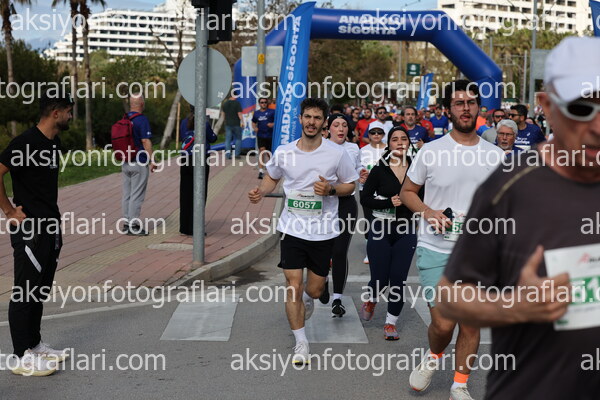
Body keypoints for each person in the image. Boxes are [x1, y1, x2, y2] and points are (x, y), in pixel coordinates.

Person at [436, 36, 600, 399]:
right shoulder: (510, 186)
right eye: (581, 108)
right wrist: (515, 306)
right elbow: (450, 298)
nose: (598, 126)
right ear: (547, 107)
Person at [400, 80, 504, 400]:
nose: (465, 108)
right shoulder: (431, 151)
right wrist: (428, 212)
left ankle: (459, 385)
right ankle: (433, 355)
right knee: (444, 325)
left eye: (471, 102)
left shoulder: (495, 155)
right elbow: (407, 192)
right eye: (459, 103)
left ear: (479, 108)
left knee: (470, 324)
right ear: (448, 110)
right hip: (436, 249)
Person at [248, 98, 358, 364]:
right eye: (307, 117)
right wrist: (261, 191)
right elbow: (272, 176)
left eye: (317, 118)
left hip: (323, 231)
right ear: (300, 119)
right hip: (292, 228)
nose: (311, 122)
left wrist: (331, 189)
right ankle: (301, 343)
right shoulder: (285, 152)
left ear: (324, 123)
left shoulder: (336, 153)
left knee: (316, 289)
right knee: (292, 285)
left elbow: (350, 185)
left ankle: (310, 298)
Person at [0, 90, 74, 376]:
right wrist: (9, 211)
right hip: (30, 229)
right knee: (25, 291)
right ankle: (21, 356)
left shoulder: (54, 143)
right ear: (55, 113)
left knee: (40, 289)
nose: (70, 116)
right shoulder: (24, 143)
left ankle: (34, 344)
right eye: (68, 111)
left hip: (51, 227)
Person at [360, 126, 420, 340]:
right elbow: (365, 199)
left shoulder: (417, 169)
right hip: (380, 228)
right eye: (395, 139)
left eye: (404, 139)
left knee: (398, 279)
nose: (400, 142)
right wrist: (388, 202)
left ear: (409, 143)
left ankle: (390, 323)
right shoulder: (380, 169)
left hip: (406, 229)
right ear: (389, 144)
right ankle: (372, 298)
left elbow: (426, 196)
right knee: (379, 279)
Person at [324, 114, 365, 317]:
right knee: (324, 249)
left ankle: (337, 299)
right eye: (336, 125)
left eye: (344, 125)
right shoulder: (320, 147)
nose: (341, 129)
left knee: (340, 251)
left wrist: (362, 172)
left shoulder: (353, 148)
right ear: (328, 128)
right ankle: (322, 281)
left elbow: (357, 168)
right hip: (324, 203)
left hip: (346, 203)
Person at [122, 93, 157, 236]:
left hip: (126, 162)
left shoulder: (125, 118)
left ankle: (126, 223)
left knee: (127, 194)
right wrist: (152, 160)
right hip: (139, 162)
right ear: (142, 104)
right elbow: (145, 141)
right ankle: (133, 225)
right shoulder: (142, 120)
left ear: (131, 104)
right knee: (137, 195)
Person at [179, 111, 218, 236]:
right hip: (200, 159)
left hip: (185, 159)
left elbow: (182, 137)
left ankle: (184, 227)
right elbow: (213, 138)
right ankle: (195, 227)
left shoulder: (183, 122)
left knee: (185, 193)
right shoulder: (204, 123)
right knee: (200, 193)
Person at [359, 127, 388, 264]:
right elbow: (357, 168)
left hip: (384, 190)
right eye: (373, 132)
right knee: (369, 219)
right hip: (366, 190)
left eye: (379, 132)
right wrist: (360, 176)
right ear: (368, 135)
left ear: (383, 134)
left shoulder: (388, 149)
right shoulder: (362, 150)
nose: (376, 135)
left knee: (384, 220)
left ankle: (384, 249)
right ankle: (369, 251)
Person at [252, 97, 275, 179]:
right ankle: (261, 171)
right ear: (259, 104)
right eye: (262, 102)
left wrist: (273, 124)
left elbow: (277, 121)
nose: (264, 104)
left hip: (270, 135)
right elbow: (253, 122)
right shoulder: (256, 113)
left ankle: (272, 170)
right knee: (262, 151)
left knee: (269, 154)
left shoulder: (272, 112)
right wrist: (255, 128)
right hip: (261, 135)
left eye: (265, 102)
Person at [221, 94, 243, 159]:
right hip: (236, 124)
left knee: (228, 140)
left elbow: (223, 114)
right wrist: (242, 122)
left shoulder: (225, 104)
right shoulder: (237, 103)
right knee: (238, 139)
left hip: (228, 124)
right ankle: (237, 154)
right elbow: (239, 114)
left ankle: (228, 155)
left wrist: (225, 122)